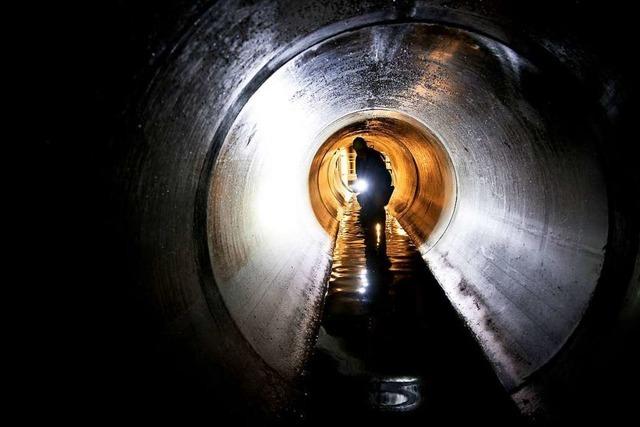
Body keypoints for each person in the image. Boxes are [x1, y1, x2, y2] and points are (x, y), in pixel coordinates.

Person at [352, 137, 394, 227]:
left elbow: (379, 172)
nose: (359, 152)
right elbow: (359, 174)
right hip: (369, 183)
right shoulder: (358, 159)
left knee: (378, 204)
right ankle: (368, 228)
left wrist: (377, 187)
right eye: (357, 150)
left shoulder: (374, 156)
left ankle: (381, 229)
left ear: (364, 147)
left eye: (360, 149)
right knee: (365, 201)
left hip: (380, 182)